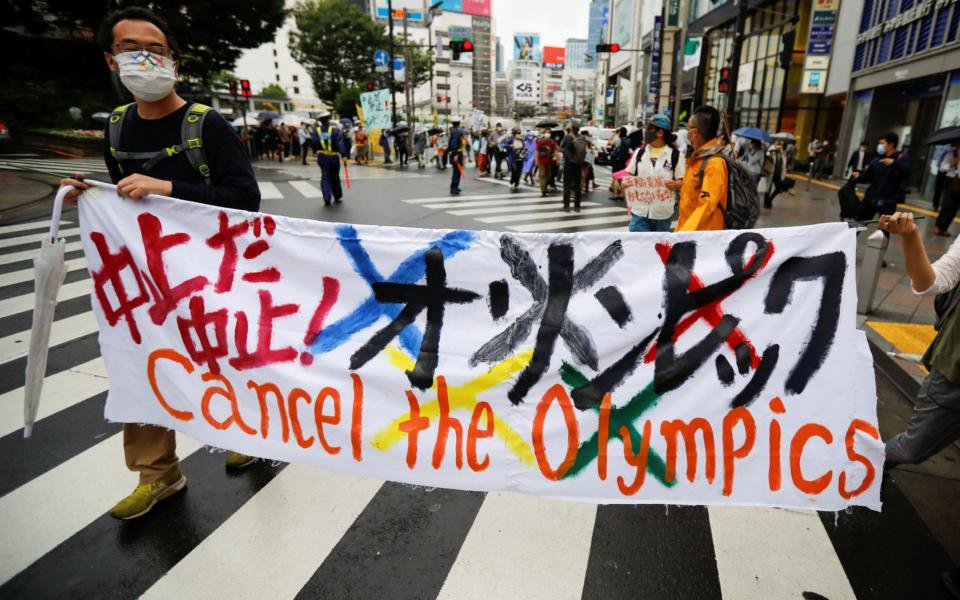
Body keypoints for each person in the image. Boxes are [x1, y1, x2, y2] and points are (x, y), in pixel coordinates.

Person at [59, 7, 261, 520]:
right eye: (130, 49)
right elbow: (123, 200)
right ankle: (158, 472)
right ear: (111, 59)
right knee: (143, 362)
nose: (144, 59)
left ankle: (248, 432)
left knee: (224, 354)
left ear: (173, 59)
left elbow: (244, 198)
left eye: (156, 49)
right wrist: (89, 195)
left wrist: (169, 188)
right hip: (148, 276)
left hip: (214, 272)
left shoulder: (205, 123)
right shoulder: (118, 128)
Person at [623, 114, 683, 231]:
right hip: (639, 213)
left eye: (649, 129)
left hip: (662, 214)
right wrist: (625, 182)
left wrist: (677, 184)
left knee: (658, 248)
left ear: (660, 133)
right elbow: (628, 175)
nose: (645, 132)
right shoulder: (639, 152)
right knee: (639, 248)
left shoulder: (676, 155)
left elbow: (681, 180)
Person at [677, 105, 728, 231]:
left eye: (688, 127)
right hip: (688, 232)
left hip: (701, 238)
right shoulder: (697, 158)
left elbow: (706, 204)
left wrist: (683, 234)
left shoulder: (714, 163)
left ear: (694, 133)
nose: (686, 131)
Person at [853, 132, 911, 224]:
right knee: (857, 225)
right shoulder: (876, 159)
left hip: (888, 202)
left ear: (891, 144)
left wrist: (893, 164)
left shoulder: (901, 158)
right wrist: (858, 176)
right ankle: (851, 238)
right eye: (879, 144)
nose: (879, 146)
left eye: (882, 143)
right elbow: (867, 176)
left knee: (885, 229)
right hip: (870, 198)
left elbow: (907, 172)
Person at [315, 110, 348, 205]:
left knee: (325, 177)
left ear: (320, 121)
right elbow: (339, 143)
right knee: (335, 177)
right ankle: (337, 195)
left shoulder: (316, 131)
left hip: (322, 156)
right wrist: (344, 155)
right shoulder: (334, 130)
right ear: (328, 120)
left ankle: (327, 197)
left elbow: (314, 143)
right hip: (333, 157)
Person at [559, 122, 587, 212]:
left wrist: (563, 151)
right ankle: (577, 206)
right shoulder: (582, 138)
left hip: (569, 163)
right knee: (577, 186)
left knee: (567, 186)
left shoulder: (568, 137)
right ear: (578, 129)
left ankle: (566, 206)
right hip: (578, 164)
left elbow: (562, 148)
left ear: (571, 129)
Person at [935, 144, 959, 236]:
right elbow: (942, 168)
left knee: (955, 208)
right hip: (951, 180)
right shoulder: (951, 153)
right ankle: (938, 225)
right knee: (946, 204)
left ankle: (945, 227)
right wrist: (952, 163)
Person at [762, 139, 788, 208]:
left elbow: (783, 164)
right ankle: (766, 204)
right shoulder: (771, 151)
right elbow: (767, 156)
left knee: (779, 189)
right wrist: (771, 152)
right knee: (768, 189)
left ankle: (769, 200)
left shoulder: (782, 153)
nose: (780, 147)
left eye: (781, 145)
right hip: (771, 173)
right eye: (778, 145)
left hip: (777, 174)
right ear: (775, 145)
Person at [535, 128, 558, 197]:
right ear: (544, 133)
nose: (548, 134)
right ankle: (543, 190)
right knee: (542, 175)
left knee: (548, 175)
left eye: (549, 132)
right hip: (541, 161)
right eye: (547, 132)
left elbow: (556, 149)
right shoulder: (540, 141)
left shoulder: (552, 141)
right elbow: (537, 151)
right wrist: (536, 160)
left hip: (549, 161)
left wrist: (557, 158)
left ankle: (545, 186)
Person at [448, 116, 465, 195]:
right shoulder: (455, 132)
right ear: (458, 123)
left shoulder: (454, 131)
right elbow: (454, 144)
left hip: (457, 153)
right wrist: (455, 154)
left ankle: (456, 186)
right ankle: (453, 188)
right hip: (456, 154)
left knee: (458, 171)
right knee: (456, 172)